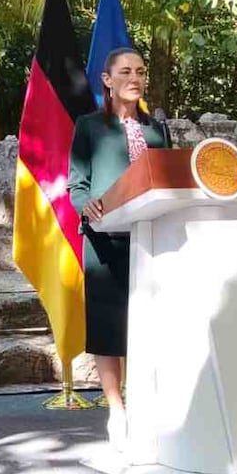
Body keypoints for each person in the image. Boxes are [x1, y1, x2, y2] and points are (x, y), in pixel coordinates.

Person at [67, 47, 171, 450]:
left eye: (141, 72)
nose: (135, 78)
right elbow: (77, 183)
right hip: (105, 241)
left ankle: (150, 404)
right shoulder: (90, 127)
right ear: (107, 80)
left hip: (154, 241)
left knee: (152, 324)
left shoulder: (158, 130)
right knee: (109, 327)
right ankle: (117, 410)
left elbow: (168, 181)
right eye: (125, 71)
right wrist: (85, 204)